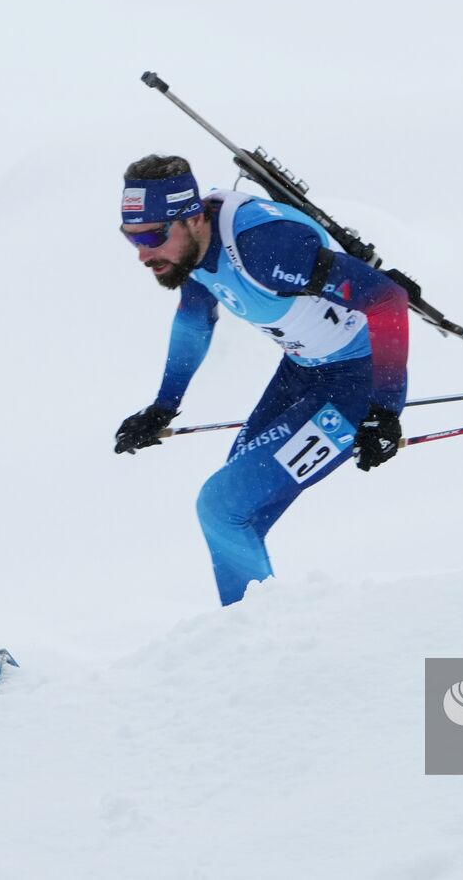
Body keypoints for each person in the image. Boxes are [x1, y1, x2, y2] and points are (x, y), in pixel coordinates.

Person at [113, 154, 409, 606]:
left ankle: (257, 644)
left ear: (192, 218)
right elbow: (193, 324)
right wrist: (162, 407)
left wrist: (384, 411)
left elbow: (387, 299)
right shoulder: (193, 250)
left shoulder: (265, 249)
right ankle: (255, 641)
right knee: (234, 510)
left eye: (152, 236)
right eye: (131, 238)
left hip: (356, 382)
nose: (142, 253)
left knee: (222, 507)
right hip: (302, 371)